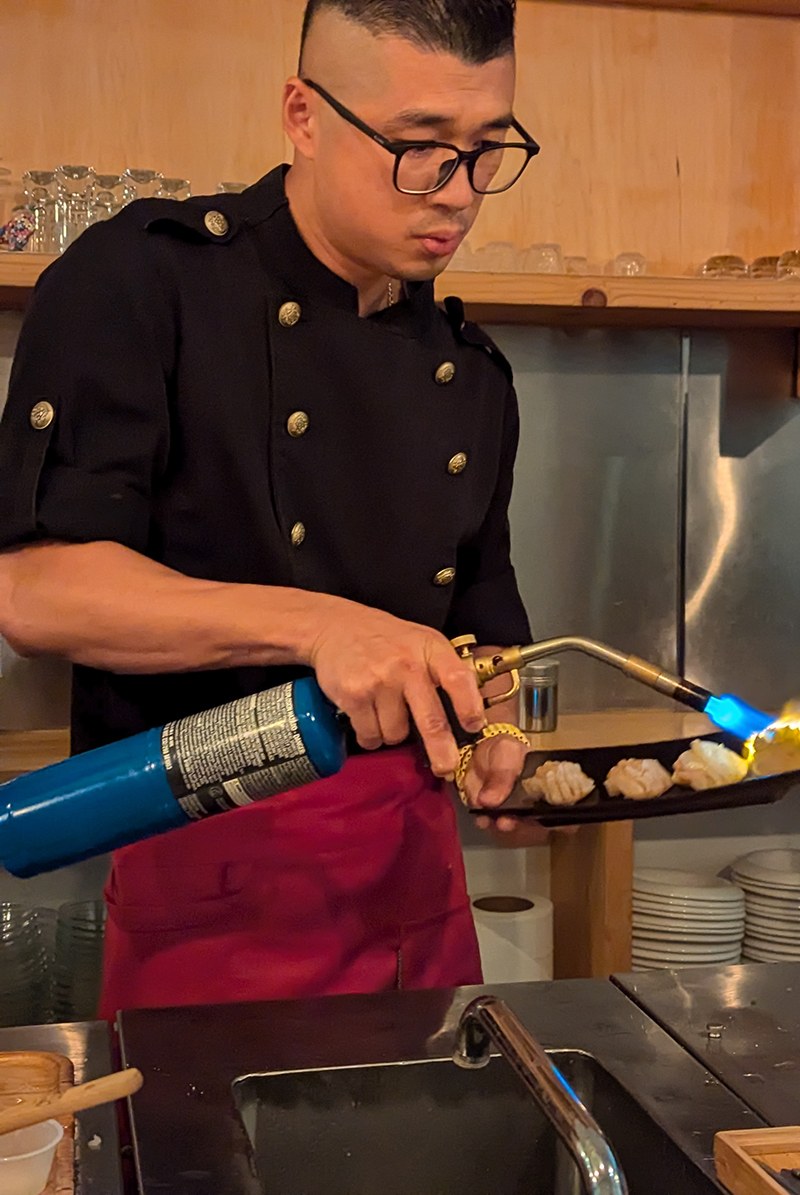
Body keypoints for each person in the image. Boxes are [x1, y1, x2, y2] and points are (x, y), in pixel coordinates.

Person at [0, 0, 543, 1013]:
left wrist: (506, 742)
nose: (460, 195)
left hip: (417, 893)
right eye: (420, 148)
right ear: (302, 112)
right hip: (213, 896)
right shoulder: (141, 282)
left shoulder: (474, 375)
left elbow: (484, 641)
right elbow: (37, 592)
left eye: (486, 150)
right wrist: (325, 629)